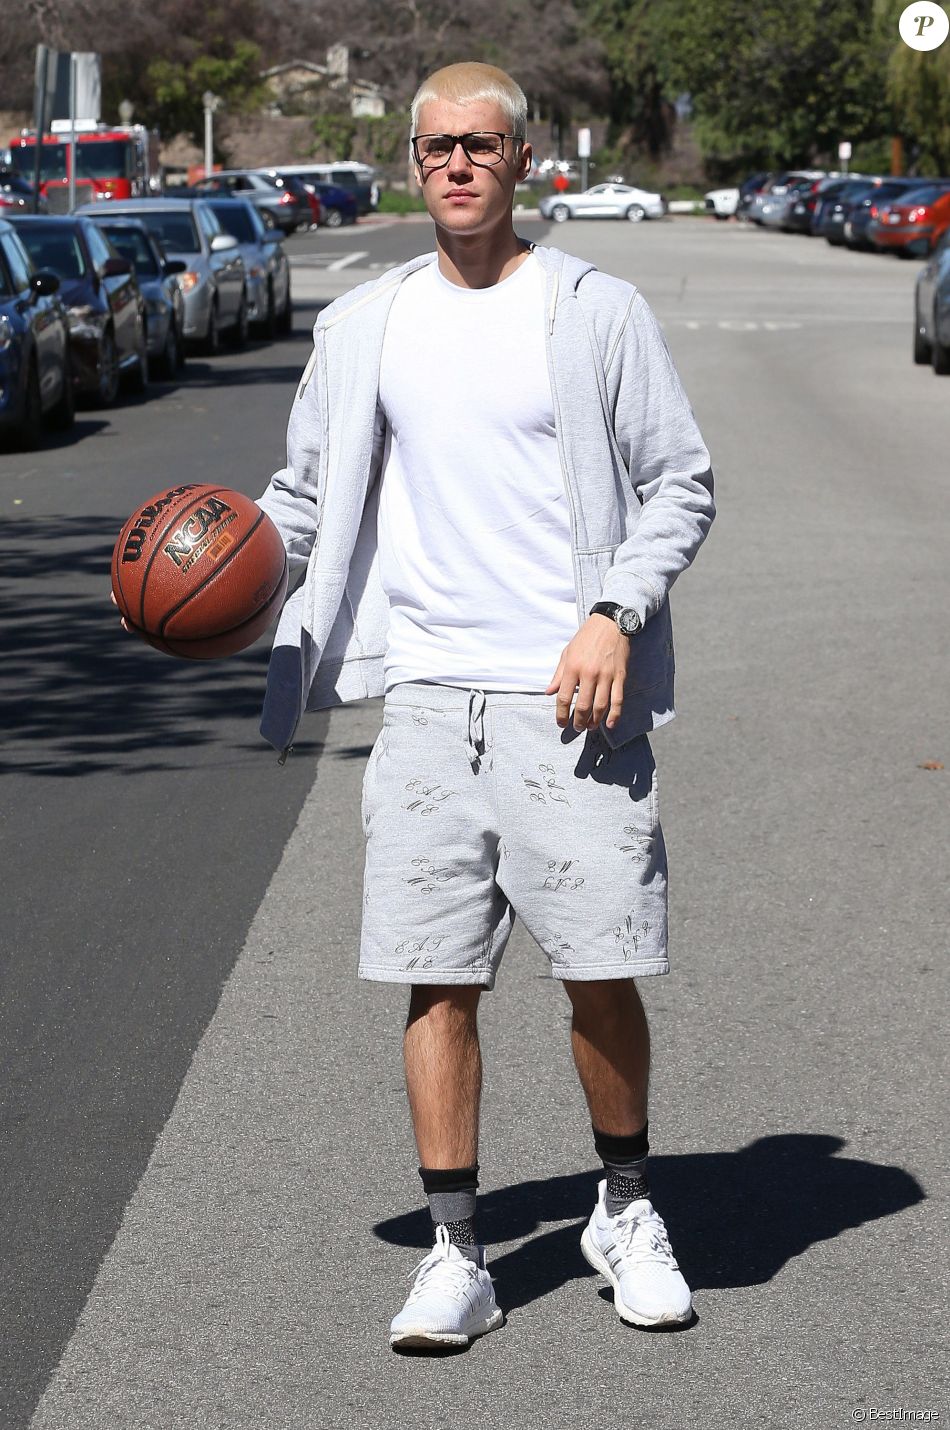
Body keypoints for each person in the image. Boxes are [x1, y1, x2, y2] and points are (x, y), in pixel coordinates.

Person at [255, 61, 715, 1350]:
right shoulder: (364, 328)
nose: (459, 165)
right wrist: (224, 561)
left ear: (524, 162)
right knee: (433, 980)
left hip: (571, 700)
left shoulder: (595, 311)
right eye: (438, 146)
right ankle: (457, 1247)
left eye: (483, 146)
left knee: (602, 971)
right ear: (416, 162)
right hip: (425, 703)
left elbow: (680, 482)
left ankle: (623, 1206)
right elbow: (301, 501)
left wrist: (613, 612)